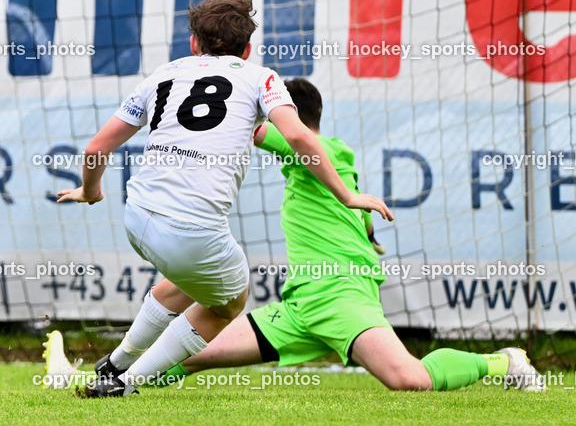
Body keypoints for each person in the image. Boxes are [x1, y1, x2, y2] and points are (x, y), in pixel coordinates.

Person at [55, 0, 393, 397]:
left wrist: (90, 192)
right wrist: (348, 197)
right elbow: (300, 134)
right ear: (247, 49)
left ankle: (114, 363)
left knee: (183, 282)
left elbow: (95, 150)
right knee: (229, 302)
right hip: (191, 231)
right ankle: (123, 385)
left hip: (137, 217)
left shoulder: (161, 75)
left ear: (194, 42)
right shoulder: (260, 77)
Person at [152, 77, 544, 392]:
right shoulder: (330, 166)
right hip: (301, 305)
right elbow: (365, 223)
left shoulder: (315, 148)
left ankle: (506, 360)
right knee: (189, 353)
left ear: (289, 116)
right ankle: (116, 382)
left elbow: (261, 133)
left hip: (340, 295)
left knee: (409, 378)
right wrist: (370, 236)